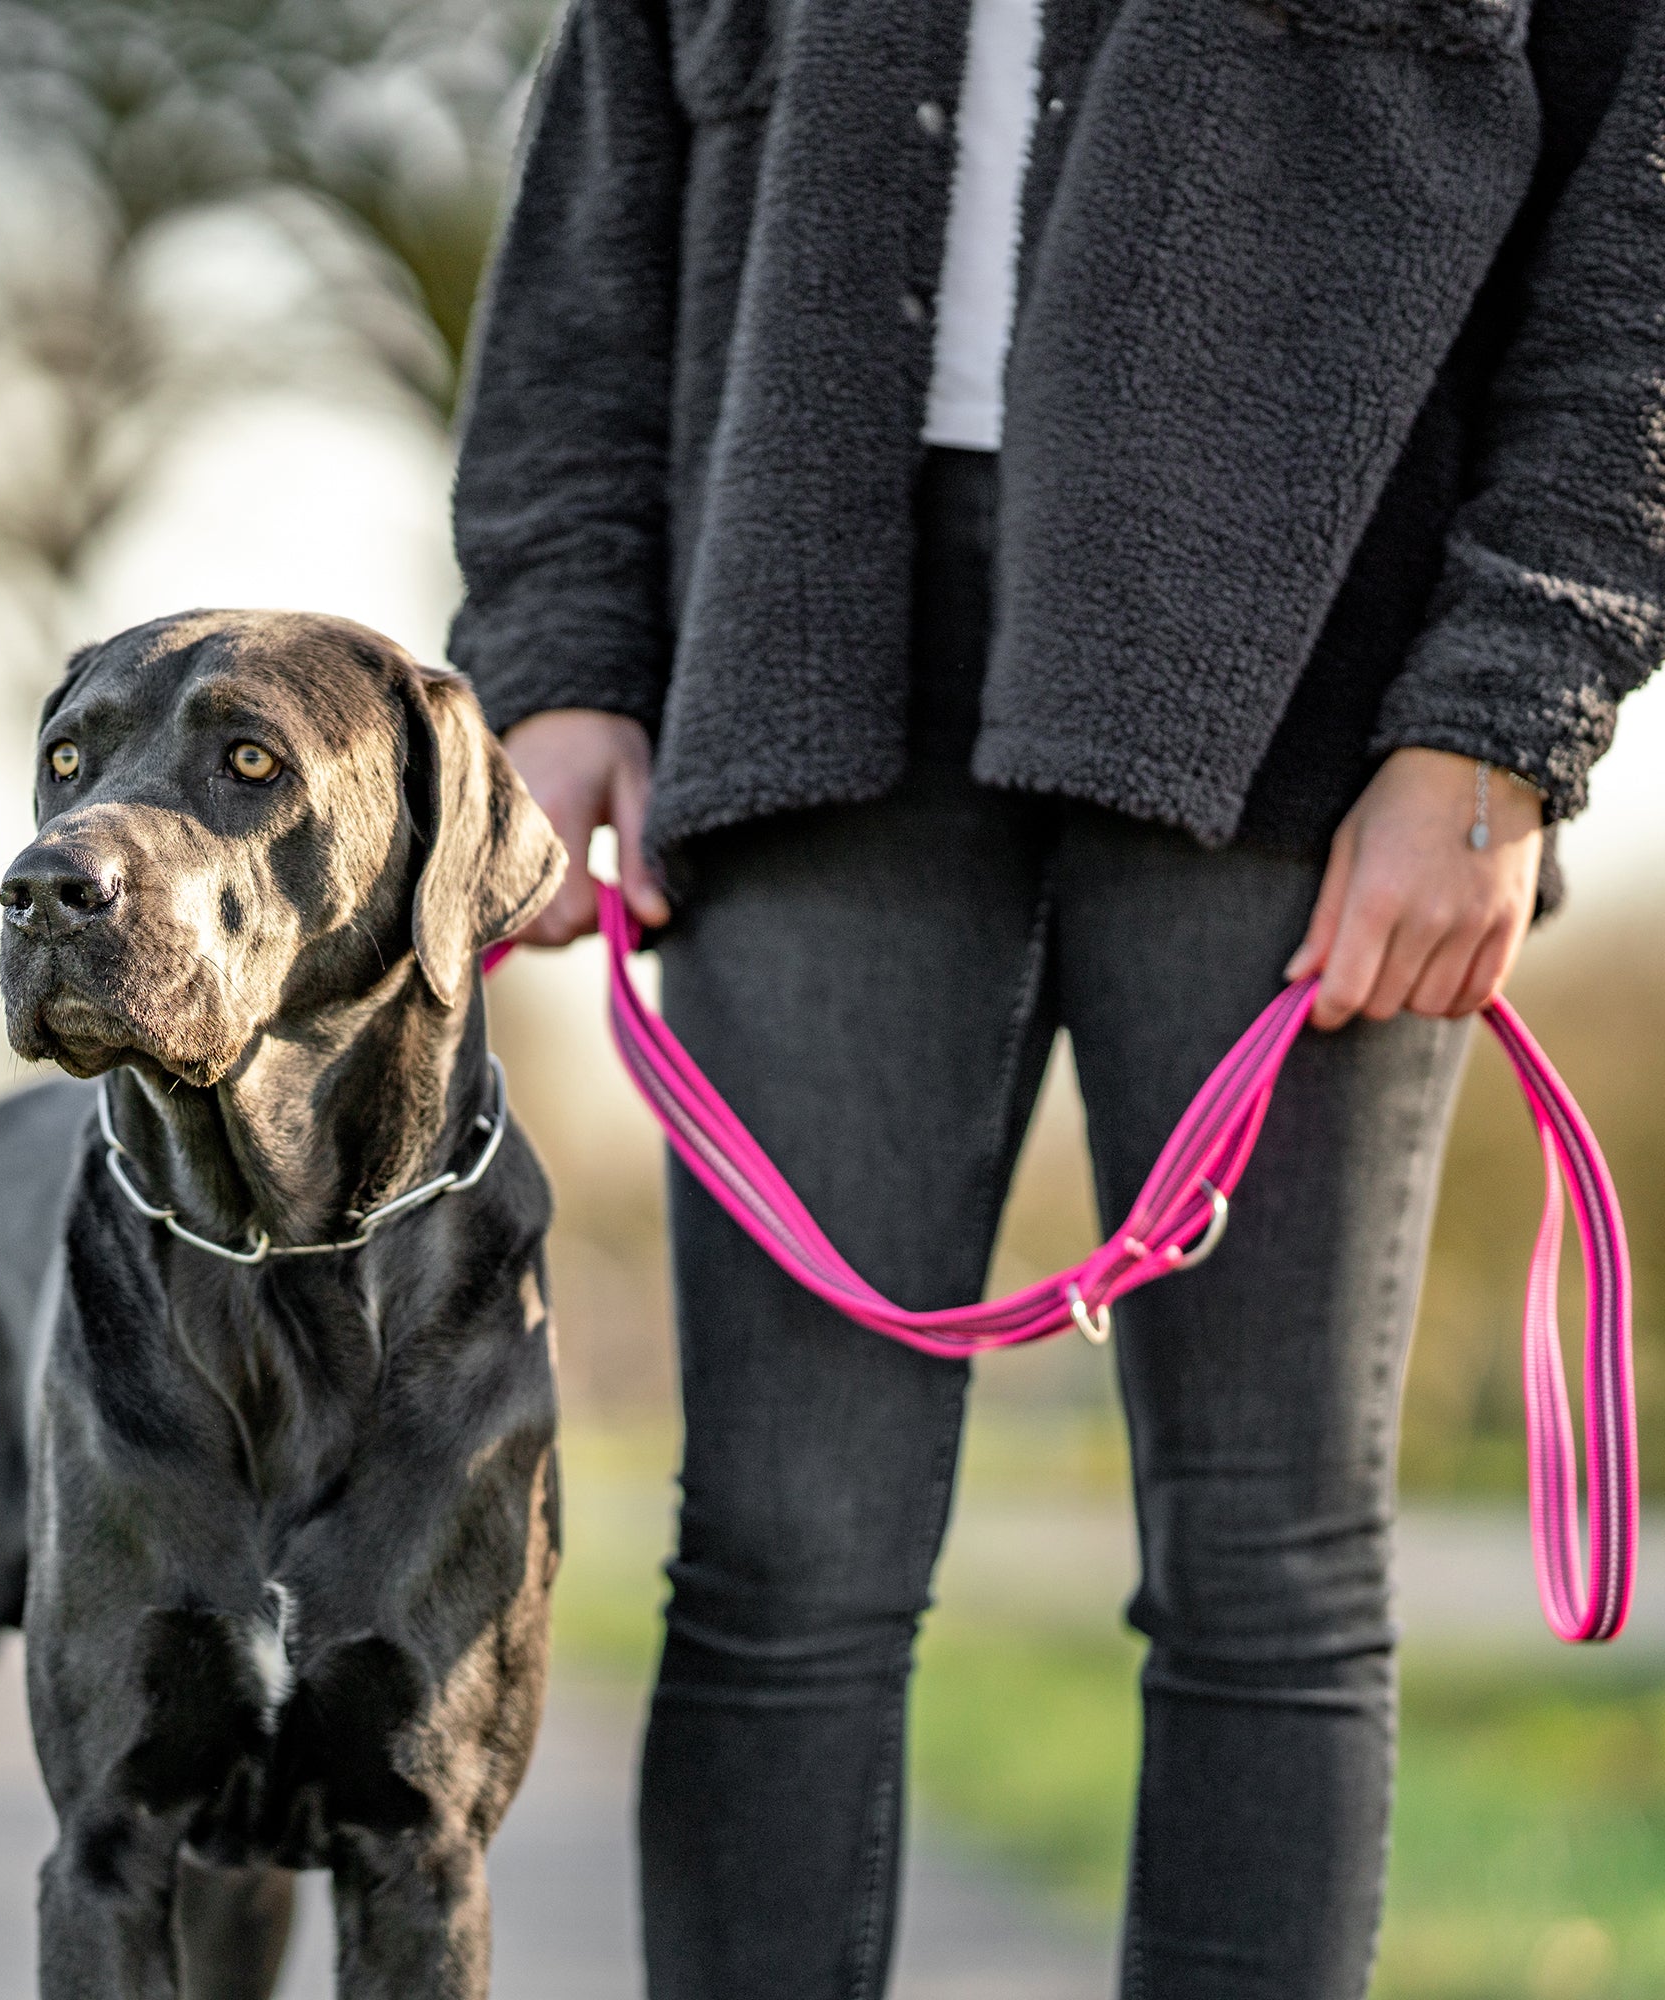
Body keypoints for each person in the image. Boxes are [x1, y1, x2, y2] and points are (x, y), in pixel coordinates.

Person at [447, 0, 1664, 1992]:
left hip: (1314, 687)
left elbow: (1639, 218)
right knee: (777, 1560)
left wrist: (1503, 719)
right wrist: (565, 646)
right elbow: (603, 189)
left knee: (1266, 1570)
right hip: (801, 642)